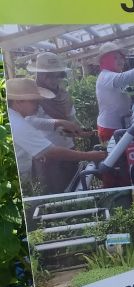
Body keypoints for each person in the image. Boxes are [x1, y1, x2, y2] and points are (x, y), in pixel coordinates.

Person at [5, 77, 105, 194]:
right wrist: (89, 156)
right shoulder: (17, 124)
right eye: (34, 101)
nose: (38, 104)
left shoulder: (16, 117)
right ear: (18, 102)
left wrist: (61, 124)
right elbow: (50, 151)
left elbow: (34, 124)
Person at [25, 52, 89, 192]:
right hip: (49, 156)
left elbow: (71, 117)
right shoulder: (32, 95)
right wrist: (58, 123)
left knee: (75, 187)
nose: (54, 79)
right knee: (57, 194)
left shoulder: (63, 94)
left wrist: (80, 128)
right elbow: (29, 121)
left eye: (56, 74)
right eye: (49, 75)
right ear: (39, 75)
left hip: (69, 149)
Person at [95, 42, 134, 143]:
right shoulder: (105, 76)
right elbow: (124, 78)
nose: (120, 61)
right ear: (106, 61)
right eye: (115, 58)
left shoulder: (112, 75)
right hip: (109, 128)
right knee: (116, 156)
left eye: (121, 58)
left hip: (119, 124)